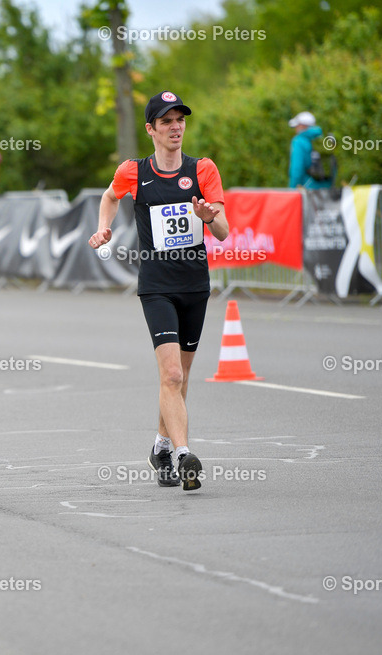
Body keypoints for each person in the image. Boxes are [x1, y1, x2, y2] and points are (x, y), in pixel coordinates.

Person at [88, 90, 229, 492]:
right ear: (151, 129)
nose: (176, 127)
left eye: (180, 120)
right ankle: (185, 456)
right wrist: (103, 227)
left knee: (180, 379)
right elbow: (110, 195)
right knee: (169, 373)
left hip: (194, 284)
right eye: (166, 121)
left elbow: (223, 231)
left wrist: (207, 218)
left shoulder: (202, 169)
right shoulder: (134, 170)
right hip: (156, 286)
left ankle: (161, 445)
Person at [288, 111, 334, 189]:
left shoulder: (298, 141)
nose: (295, 129)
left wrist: (292, 189)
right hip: (327, 187)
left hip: (306, 188)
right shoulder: (323, 140)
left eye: (297, 126)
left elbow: (297, 169)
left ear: (302, 126)